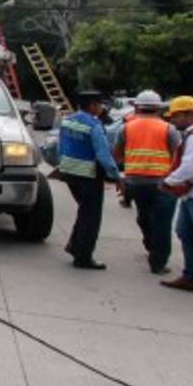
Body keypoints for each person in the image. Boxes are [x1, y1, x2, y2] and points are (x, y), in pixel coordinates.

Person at [112, 90, 180, 275]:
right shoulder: (168, 129)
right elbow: (179, 156)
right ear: (158, 108)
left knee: (144, 216)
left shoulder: (126, 128)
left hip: (136, 184)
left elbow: (116, 155)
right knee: (162, 223)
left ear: (136, 107)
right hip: (163, 184)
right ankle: (157, 263)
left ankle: (151, 245)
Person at [59, 91, 123, 270]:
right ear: (93, 105)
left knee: (84, 211)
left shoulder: (67, 120)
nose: (101, 108)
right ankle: (83, 256)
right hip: (88, 174)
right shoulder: (94, 125)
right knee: (91, 217)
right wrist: (116, 176)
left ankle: (75, 246)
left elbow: (60, 146)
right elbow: (103, 154)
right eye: (100, 104)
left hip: (69, 173)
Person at [161, 96, 193, 293]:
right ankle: (191, 276)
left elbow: (190, 167)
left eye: (176, 116)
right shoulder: (192, 134)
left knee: (189, 232)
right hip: (191, 193)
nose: (173, 120)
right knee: (184, 232)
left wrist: (169, 181)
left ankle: (192, 275)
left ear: (190, 114)